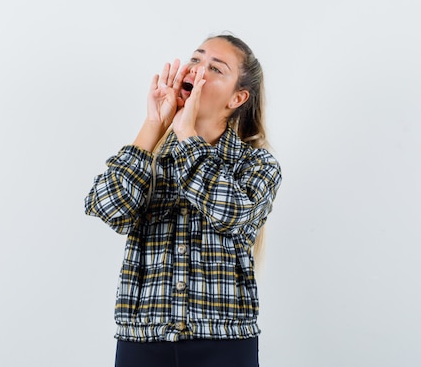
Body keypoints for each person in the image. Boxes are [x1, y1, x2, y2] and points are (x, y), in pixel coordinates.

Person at [84, 33, 282, 367]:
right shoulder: (153, 157)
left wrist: (187, 135)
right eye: (195, 59)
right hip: (143, 340)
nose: (197, 71)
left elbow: (231, 213)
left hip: (224, 343)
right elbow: (107, 206)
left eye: (215, 68)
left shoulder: (257, 164)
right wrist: (153, 125)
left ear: (237, 98)